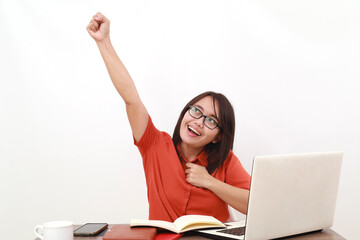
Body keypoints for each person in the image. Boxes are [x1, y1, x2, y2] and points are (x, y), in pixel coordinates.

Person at [87, 12, 251, 222]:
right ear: (186, 111)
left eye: (211, 120)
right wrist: (104, 42)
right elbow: (131, 99)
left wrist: (210, 182)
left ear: (218, 136)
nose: (198, 122)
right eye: (196, 111)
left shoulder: (225, 161)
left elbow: (255, 204)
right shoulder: (155, 145)